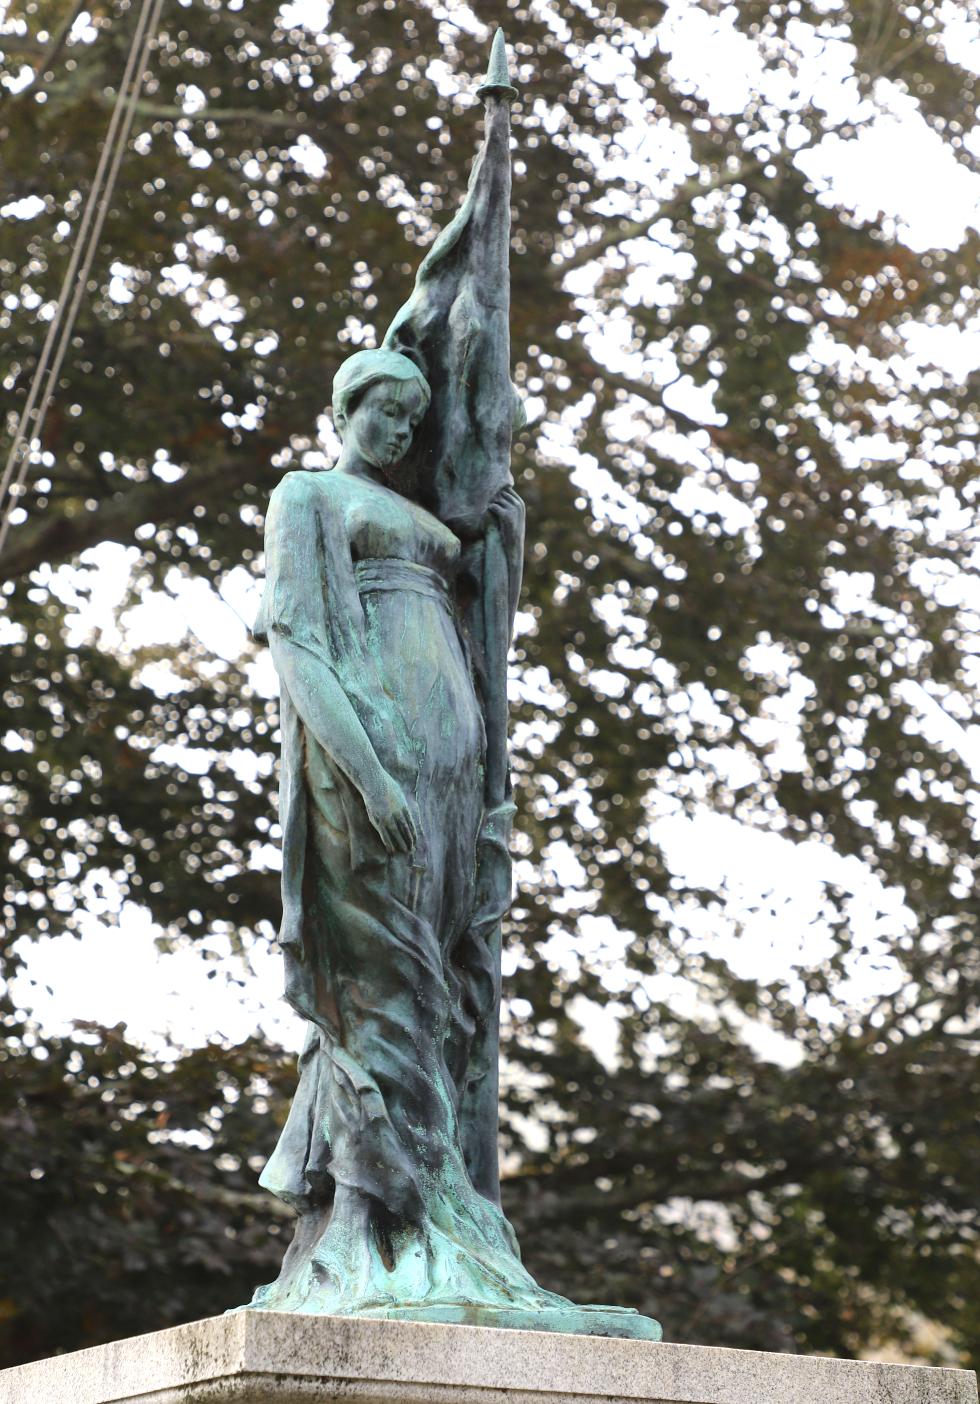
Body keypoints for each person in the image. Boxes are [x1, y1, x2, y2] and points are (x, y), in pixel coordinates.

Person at [248, 346, 562, 1317]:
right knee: (381, 992)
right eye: (383, 411)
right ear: (346, 407)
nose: (397, 431)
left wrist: (502, 543)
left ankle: (436, 1210)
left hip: (447, 785)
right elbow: (298, 640)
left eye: (410, 417)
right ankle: (370, 1218)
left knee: (443, 999)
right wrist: (366, 771)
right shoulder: (308, 496)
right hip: (366, 778)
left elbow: (476, 630)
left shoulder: (428, 522)